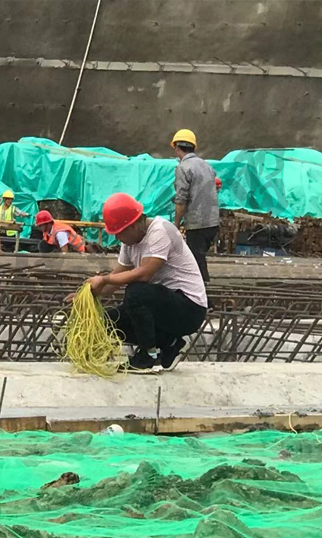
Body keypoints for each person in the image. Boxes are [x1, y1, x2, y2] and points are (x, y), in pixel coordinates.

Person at [82, 193, 208, 372]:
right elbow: (115, 281)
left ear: (133, 225)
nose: (117, 238)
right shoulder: (129, 242)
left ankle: (149, 356)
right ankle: (169, 343)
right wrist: (88, 294)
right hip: (164, 308)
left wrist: (103, 278)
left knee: (136, 292)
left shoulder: (161, 230)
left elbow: (145, 274)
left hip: (189, 308)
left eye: (119, 233)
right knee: (107, 322)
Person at [171, 129, 220, 284]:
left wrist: (176, 225)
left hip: (197, 224)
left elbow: (181, 200)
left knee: (195, 264)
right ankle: (204, 294)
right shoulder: (207, 166)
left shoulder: (183, 168)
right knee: (198, 259)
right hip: (212, 222)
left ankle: (204, 298)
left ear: (177, 148)